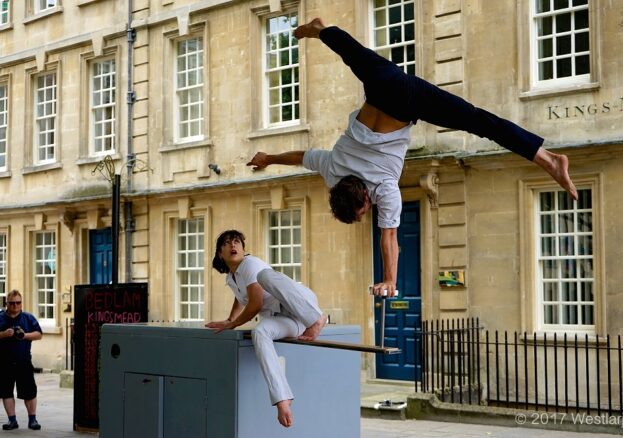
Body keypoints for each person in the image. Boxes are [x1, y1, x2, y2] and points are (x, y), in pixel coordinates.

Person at [247, 17, 578, 298]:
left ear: (363, 200)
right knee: (351, 52)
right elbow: (302, 156)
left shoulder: (384, 190)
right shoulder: (333, 169)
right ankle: (319, 30)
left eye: (365, 212)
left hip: (408, 101)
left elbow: (388, 238)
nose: (371, 213)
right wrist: (268, 157)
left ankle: (547, 159)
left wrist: (390, 280)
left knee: (478, 120)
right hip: (380, 85)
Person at [205, 230, 327, 428]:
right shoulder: (232, 277)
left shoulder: (251, 265)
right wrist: (229, 319)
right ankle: (282, 399)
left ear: (244, 249)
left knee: (265, 276)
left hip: (301, 307)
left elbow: (254, 304)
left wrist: (233, 324)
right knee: (259, 332)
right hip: (286, 320)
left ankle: (317, 318)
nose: (233, 245)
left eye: (236, 242)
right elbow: (240, 297)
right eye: (227, 243)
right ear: (220, 253)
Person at [0, 290, 43, 431]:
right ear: (7, 303)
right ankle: (12, 420)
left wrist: (24, 335)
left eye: (18, 302)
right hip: (4, 362)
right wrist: (4, 334)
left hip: (23, 361)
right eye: (12, 303)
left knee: (29, 392)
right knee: (6, 392)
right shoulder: (1, 318)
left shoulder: (28, 318)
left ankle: (33, 420)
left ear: (21, 303)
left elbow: (39, 334)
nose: (15, 306)